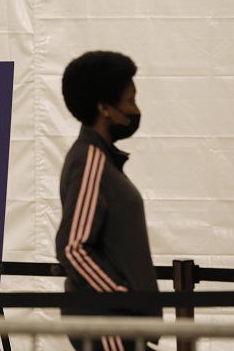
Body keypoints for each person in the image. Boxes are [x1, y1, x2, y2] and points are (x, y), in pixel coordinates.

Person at [55, 51, 162, 351]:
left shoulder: (101, 160)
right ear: (104, 108)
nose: (135, 109)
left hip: (115, 319)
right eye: (129, 101)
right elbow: (73, 247)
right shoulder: (90, 161)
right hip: (107, 320)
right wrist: (121, 298)